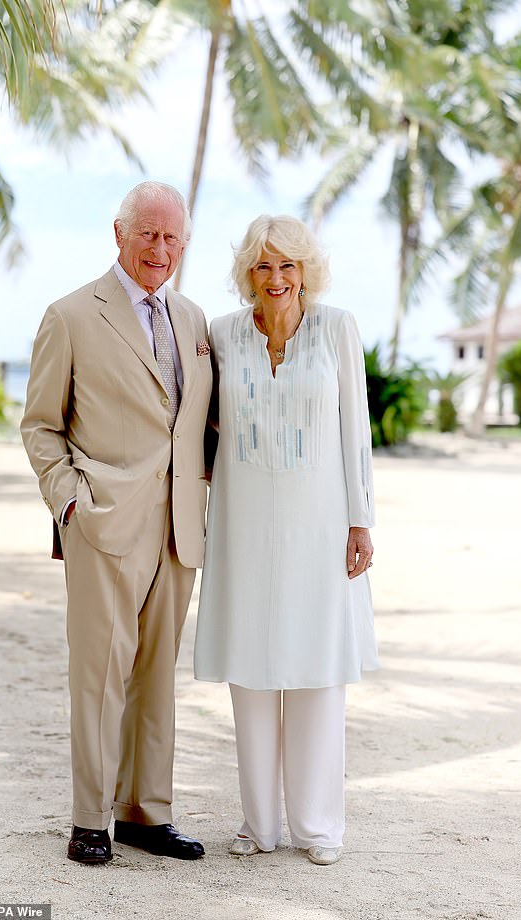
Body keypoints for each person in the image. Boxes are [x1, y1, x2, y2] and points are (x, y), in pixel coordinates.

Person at [21, 181, 212, 864]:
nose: (161, 249)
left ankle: (143, 813)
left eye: (172, 237)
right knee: (99, 675)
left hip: (178, 528)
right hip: (102, 523)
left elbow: (198, 424)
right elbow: (40, 426)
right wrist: (70, 502)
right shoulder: (71, 315)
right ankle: (89, 820)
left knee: (157, 674)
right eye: (148, 234)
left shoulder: (194, 320)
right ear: (119, 233)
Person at [194, 214, 379, 866]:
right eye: (265, 266)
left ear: (307, 272)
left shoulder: (337, 329)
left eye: (289, 266)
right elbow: (195, 423)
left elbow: (355, 430)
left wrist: (362, 520)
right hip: (242, 527)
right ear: (249, 273)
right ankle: (260, 825)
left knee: (317, 674)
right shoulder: (219, 335)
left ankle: (319, 827)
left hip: (320, 527)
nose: (277, 279)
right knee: (250, 675)